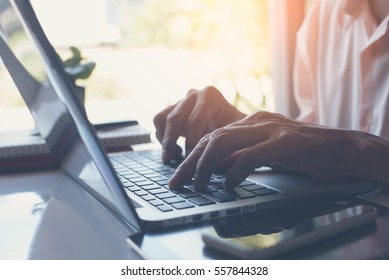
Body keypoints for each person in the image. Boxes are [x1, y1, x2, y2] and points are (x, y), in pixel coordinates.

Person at [153, 0, 389, 192]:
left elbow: (330, 146)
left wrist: (355, 152)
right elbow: (313, 144)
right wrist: (242, 128)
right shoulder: (322, 17)